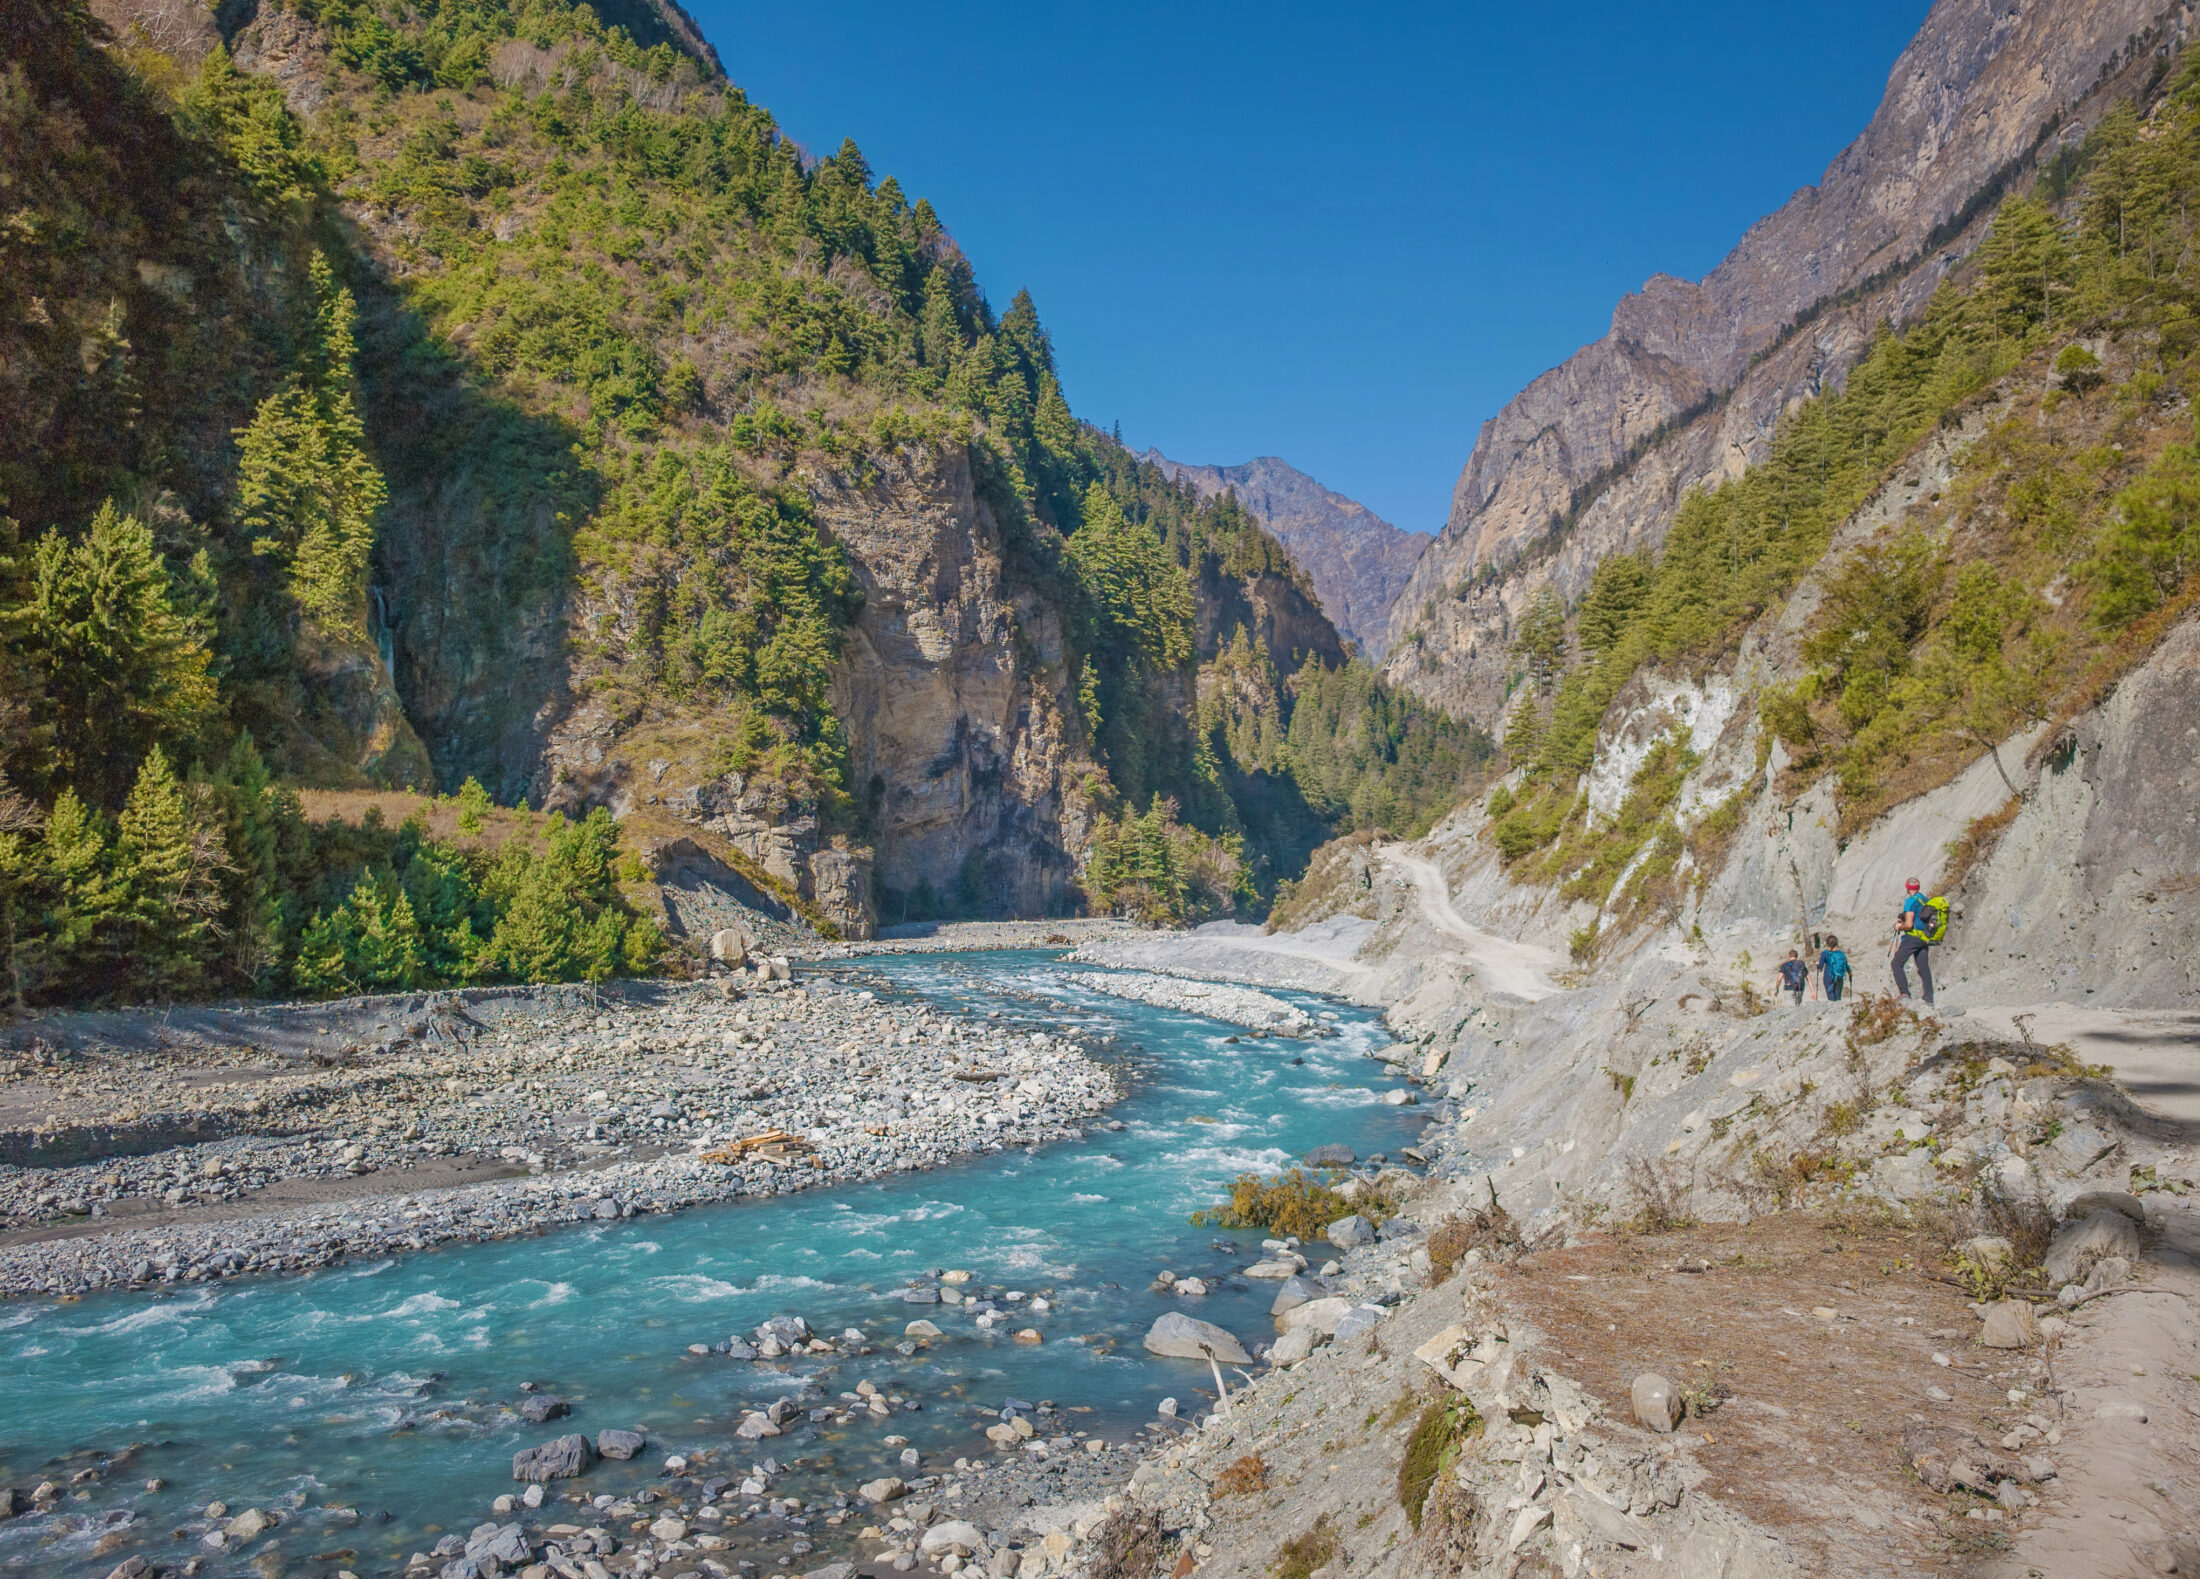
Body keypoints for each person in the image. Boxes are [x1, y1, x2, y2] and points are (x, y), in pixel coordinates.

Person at [1891, 878, 1935, 1005]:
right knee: (1923, 967)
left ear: (1907, 887)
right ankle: (1929, 999)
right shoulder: (1925, 900)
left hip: (1912, 938)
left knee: (1896, 963)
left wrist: (1899, 927)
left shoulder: (1910, 901)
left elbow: (1909, 924)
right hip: (1925, 938)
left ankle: (1904, 993)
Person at [1819, 934, 1851, 1002]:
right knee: (1838, 997)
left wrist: (1817, 964)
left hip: (1829, 977)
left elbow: (1820, 967)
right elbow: (1846, 964)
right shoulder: (1841, 953)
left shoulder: (1825, 953)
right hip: (1839, 976)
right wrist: (1850, 972)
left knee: (1831, 997)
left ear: (1827, 943)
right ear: (1836, 943)